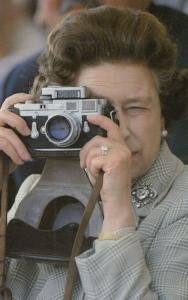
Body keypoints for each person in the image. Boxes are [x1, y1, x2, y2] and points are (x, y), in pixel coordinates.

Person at [1, 5, 188, 299]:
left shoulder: (181, 204)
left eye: (136, 108)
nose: (119, 130)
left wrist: (117, 215)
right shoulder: (33, 192)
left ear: (163, 114)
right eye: (97, 110)